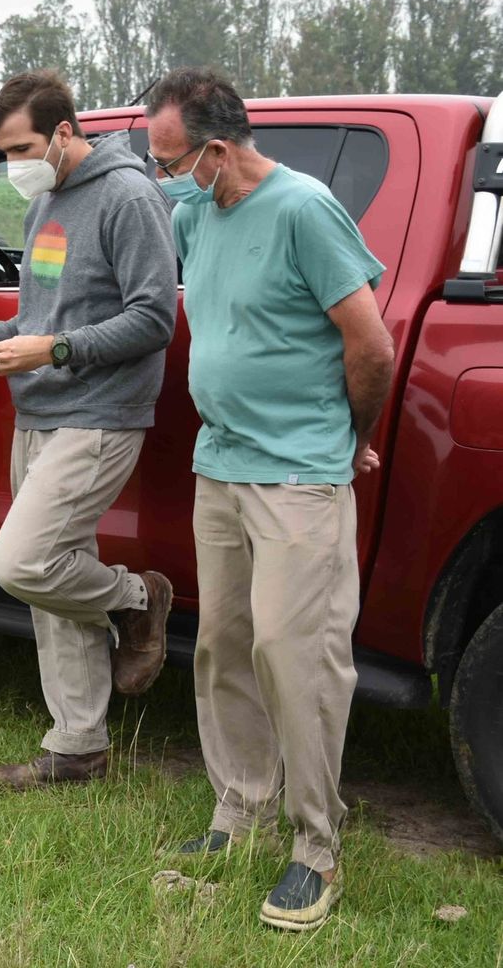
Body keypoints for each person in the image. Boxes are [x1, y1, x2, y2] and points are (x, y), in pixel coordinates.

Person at [146, 67, 394, 932]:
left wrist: (347, 438)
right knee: (223, 646)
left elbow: (370, 343)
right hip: (222, 467)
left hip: (297, 473)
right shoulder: (191, 214)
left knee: (298, 655)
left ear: (217, 149)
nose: (165, 175)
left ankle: (315, 847)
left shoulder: (303, 209)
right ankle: (237, 813)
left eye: (172, 160)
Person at [0, 70, 178, 788]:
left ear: (65, 132)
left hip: (99, 413)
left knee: (24, 563)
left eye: (22, 147)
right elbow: (47, 315)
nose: (14, 165)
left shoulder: (130, 196)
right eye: (4, 151)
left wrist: (55, 350)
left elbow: (153, 316)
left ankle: (141, 600)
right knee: (54, 581)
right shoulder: (47, 200)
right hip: (37, 410)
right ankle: (77, 747)